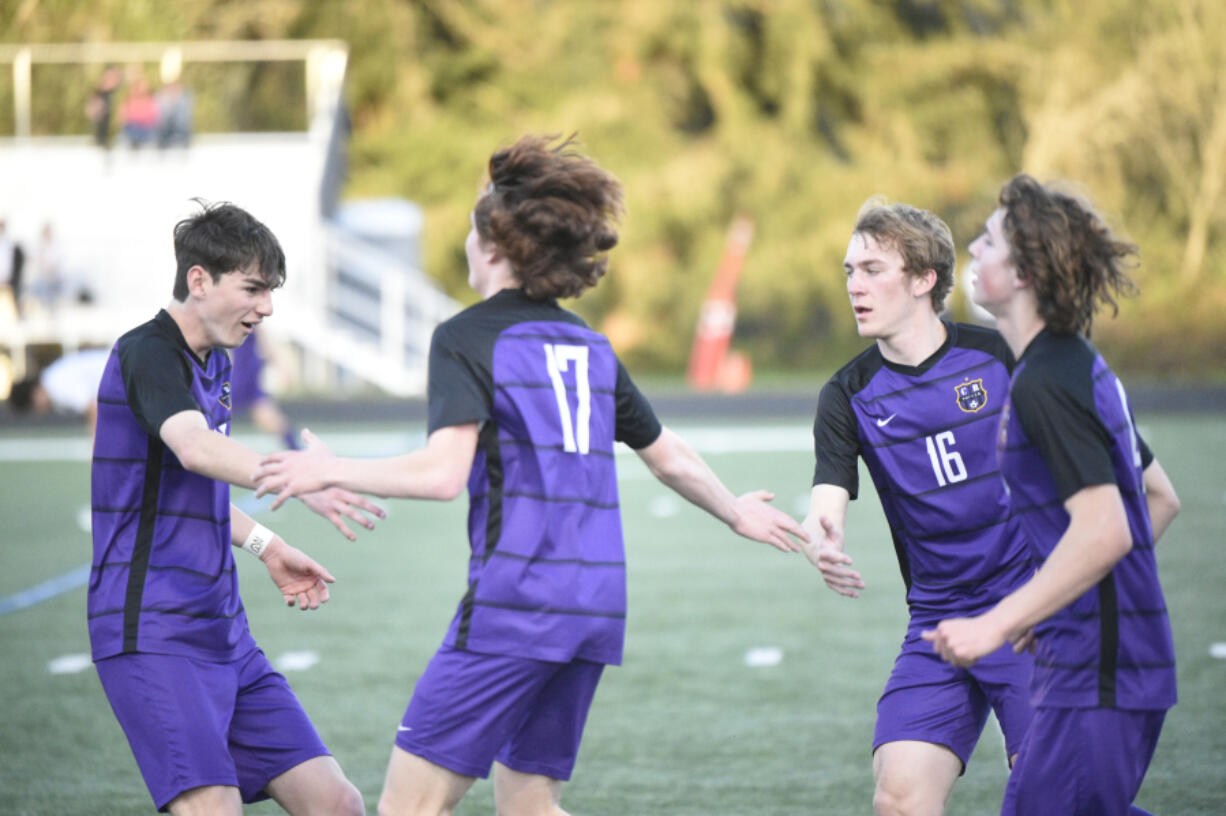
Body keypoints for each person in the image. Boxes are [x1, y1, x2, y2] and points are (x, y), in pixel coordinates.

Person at [252, 135, 809, 816]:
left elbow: (441, 473)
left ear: (492, 247)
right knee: (527, 804)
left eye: (467, 226)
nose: (462, 239)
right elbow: (666, 453)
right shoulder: (590, 345)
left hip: (518, 604)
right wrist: (734, 510)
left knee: (409, 807)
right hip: (594, 604)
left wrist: (328, 468)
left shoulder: (465, 338)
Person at [89, 201, 385, 815]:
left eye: (270, 291)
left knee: (336, 803)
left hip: (223, 630)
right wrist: (302, 477)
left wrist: (269, 546)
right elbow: (197, 451)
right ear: (199, 280)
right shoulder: (146, 352)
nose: (267, 307)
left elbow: (196, 492)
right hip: (151, 628)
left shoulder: (216, 361)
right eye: (253, 288)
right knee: (212, 806)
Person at [923, 174, 1181, 815]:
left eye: (987, 242)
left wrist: (997, 623)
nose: (974, 252)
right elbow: (1158, 498)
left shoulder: (1048, 383)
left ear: (1026, 272)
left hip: (1102, 673)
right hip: (1100, 662)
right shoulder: (1071, 366)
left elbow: (1106, 530)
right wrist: (1051, 606)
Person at [803, 199, 1035, 816]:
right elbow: (828, 493)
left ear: (923, 279)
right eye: (849, 271)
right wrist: (821, 536)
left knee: (1051, 795)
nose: (854, 285)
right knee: (900, 799)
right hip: (938, 618)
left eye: (872, 269)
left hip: (1031, 608)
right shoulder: (847, 394)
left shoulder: (1000, 356)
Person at [8, 347, 109, 435]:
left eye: (34, 406)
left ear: (35, 393)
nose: (39, 412)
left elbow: (93, 408)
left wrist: (97, 447)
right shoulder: (53, 378)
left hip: (121, 375)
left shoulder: (56, 386)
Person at [230, 327, 301, 450]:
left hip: (248, 375)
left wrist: (282, 367)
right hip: (236, 375)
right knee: (214, 417)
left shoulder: (249, 317)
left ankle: (299, 453)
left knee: (269, 419)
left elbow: (266, 343)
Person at [85, 64, 122, 149]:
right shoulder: (100, 93)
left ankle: (104, 140)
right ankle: (101, 140)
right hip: (102, 104)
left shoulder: (115, 92)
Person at [120, 75, 159, 149]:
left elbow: (154, 117)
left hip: (146, 129)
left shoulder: (150, 100)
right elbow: (123, 116)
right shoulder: (129, 100)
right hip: (133, 128)